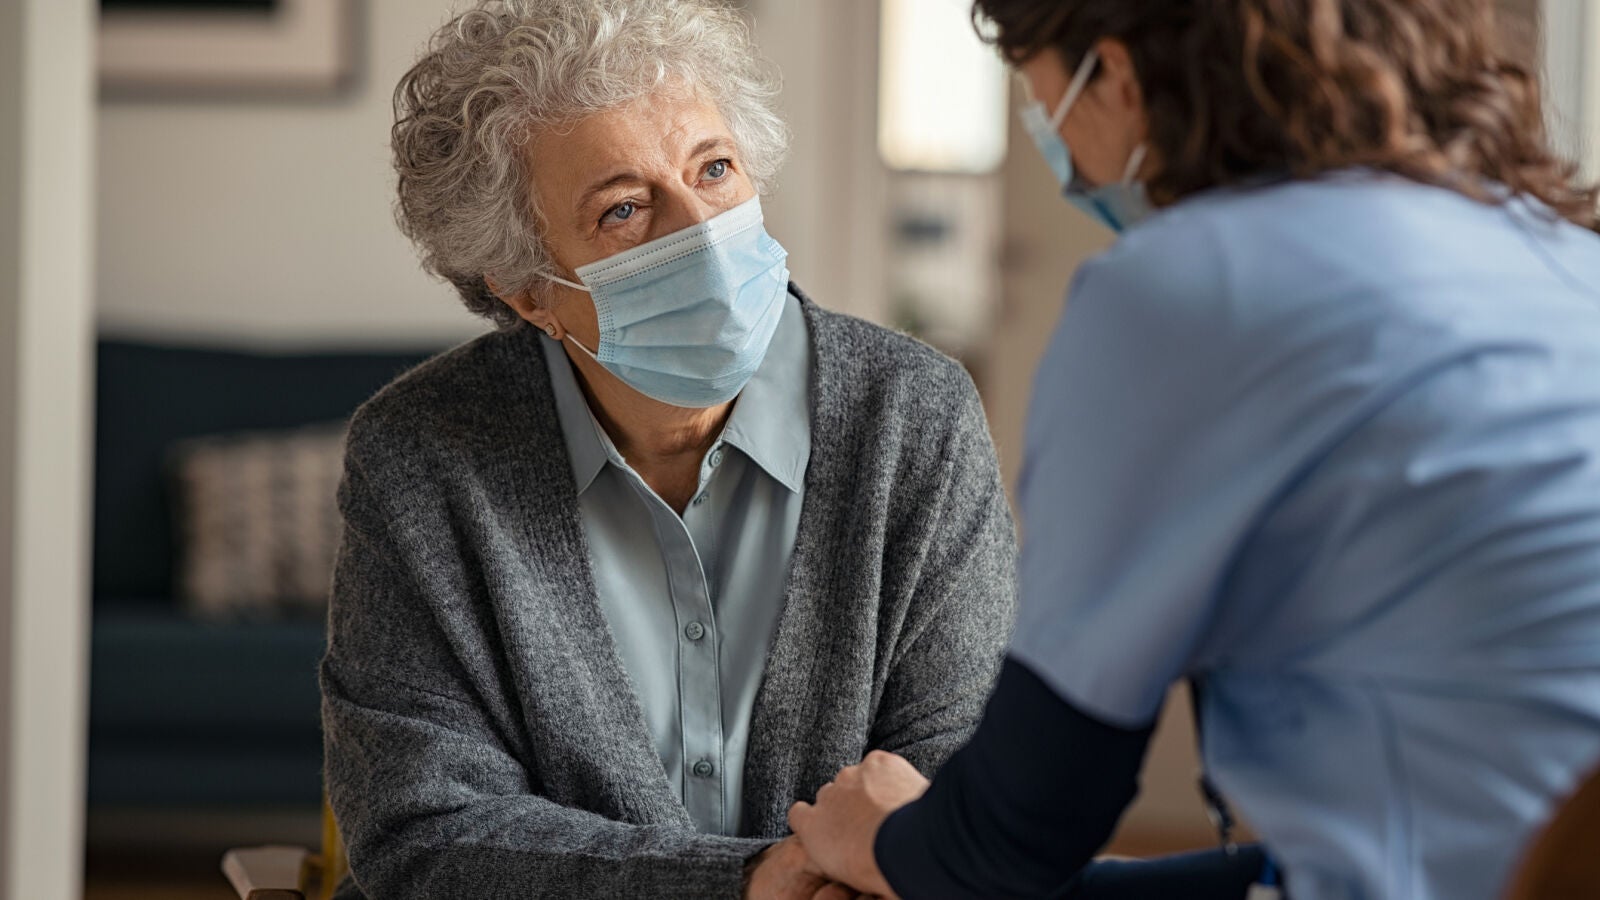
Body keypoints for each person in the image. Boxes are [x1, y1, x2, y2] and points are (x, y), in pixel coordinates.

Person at [789, 1, 1600, 899]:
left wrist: (881, 836)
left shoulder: (1187, 288)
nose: (1063, 159)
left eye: (1045, 106)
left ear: (1119, 78)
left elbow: (1010, 838)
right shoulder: (1553, 247)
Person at [317, 1, 1017, 898]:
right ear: (531, 292)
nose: (701, 231)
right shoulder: (420, 454)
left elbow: (959, 790)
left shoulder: (914, 418)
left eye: (715, 169)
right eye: (625, 209)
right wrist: (755, 882)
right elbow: (426, 831)